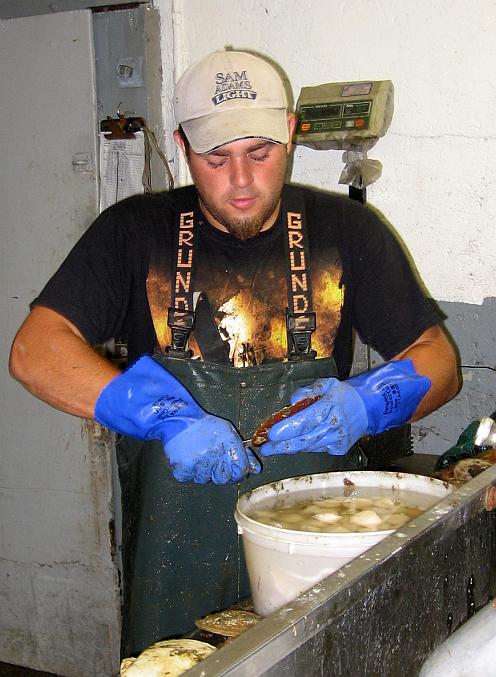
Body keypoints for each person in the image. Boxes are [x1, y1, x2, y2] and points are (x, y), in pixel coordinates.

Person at [9, 48, 460, 656]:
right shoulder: (132, 232)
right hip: (175, 553)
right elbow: (35, 352)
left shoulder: (348, 233)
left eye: (260, 153)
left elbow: (440, 361)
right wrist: (163, 417)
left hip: (313, 544)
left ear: (292, 133)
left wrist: (369, 403)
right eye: (216, 158)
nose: (241, 181)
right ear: (181, 146)